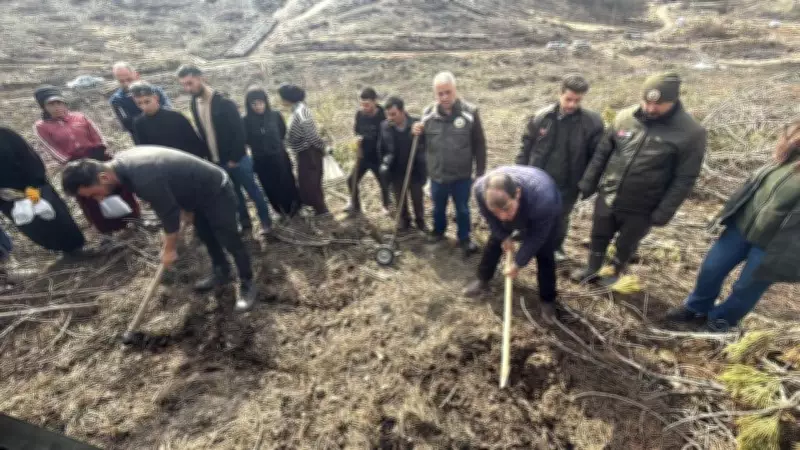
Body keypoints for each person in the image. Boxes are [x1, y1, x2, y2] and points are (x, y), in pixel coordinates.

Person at [61, 147, 258, 311]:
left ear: (103, 177)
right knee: (207, 236)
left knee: (229, 239)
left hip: (216, 191)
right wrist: (185, 209)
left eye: (95, 194)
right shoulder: (120, 168)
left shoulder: (142, 175)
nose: (99, 199)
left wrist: (169, 249)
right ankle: (221, 271)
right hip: (193, 194)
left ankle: (247, 282)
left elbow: (168, 213)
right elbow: (168, 187)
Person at [572, 72, 706, 287]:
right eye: (647, 102)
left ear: (674, 101)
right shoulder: (624, 117)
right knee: (599, 234)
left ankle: (615, 271)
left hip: (644, 203)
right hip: (610, 193)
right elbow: (603, 153)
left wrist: (665, 211)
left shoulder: (691, 133)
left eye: (659, 105)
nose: (651, 109)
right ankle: (592, 268)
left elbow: (685, 178)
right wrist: (588, 182)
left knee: (627, 242)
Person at [664, 121, 800, 331]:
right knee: (711, 268)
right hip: (740, 230)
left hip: (775, 247)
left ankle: (722, 320)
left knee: (746, 287)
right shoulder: (782, 159)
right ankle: (696, 307)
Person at [515, 73, 604, 262]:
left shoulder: (591, 124)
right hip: (537, 178)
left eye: (577, 100)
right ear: (560, 93)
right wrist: (519, 174)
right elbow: (526, 148)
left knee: (560, 216)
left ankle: (556, 247)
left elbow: (597, 157)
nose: (572, 104)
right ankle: (526, 237)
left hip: (569, 181)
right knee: (530, 209)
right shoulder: (541, 118)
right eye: (568, 99)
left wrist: (588, 183)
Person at [33, 85, 141, 240]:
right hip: (75, 165)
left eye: (59, 103)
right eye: (51, 104)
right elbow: (51, 148)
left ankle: (134, 218)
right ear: (44, 107)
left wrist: (100, 150)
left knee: (118, 188)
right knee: (90, 198)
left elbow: (97, 135)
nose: (57, 107)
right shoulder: (42, 126)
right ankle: (106, 231)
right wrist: (69, 161)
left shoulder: (79, 117)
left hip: (97, 157)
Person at [177, 64, 273, 235]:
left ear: (201, 78)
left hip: (238, 160)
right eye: (184, 84)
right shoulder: (194, 103)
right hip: (218, 162)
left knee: (253, 192)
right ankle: (245, 224)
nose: (187, 88)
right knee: (234, 197)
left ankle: (266, 222)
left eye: (190, 83)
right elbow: (203, 133)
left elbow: (240, 133)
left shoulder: (224, 102)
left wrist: (234, 159)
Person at [463, 166, 562, 322]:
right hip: (517, 204)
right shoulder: (479, 191)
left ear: (517, 193)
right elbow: (491, 219)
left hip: (541, 207)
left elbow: (536, 237)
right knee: (495, 241)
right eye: (496, 211)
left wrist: (518, 262)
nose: (503, 217)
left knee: (544, 252)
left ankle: (547, 300)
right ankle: (483, 279)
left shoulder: (544, 201)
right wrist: (503, 236)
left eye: (507, 209)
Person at [413, 71, 487, 257]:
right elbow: (420, 144)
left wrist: (480, 173)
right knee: (438, 207)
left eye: (448, 92)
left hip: (461, 175)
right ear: (434, 94)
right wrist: (415, 133)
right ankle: (438, 231)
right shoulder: (427, 114)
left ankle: (464, 237)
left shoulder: (470, 113)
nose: (444, 97)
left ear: (455, 90)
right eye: (440, 93)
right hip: (438, 175)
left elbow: (479, 144)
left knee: (462, 208)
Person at [0, 126, 85, 255]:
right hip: (7, 197)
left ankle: (76, 247)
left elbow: (28, 157)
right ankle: (57, 249)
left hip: (33, 187)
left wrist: (32, 185)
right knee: (33, 226)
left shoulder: (5, 135)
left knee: (55, 217)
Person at [243, 86, 300, 220]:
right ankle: (279, 210)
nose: (258, 107)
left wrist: (274, 146)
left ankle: (295, 207)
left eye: (261, 103)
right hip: (261, 159)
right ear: (249, 105)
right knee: (269, 185)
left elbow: (282, 132)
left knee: (287, 182)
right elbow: (246, 140)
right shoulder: (245, 121)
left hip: (279, 156)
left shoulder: (275, 115)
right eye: (254, 104)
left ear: (266, 102)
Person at [279, 83, 330, 216]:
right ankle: (317, 208)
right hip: (303, 152)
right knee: (306, 182)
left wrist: (323, 147)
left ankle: (322, 210)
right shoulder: (297, 110)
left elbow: (311, 135)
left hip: (309, 152)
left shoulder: (301, 112)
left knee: (311, 183)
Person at [379, 96, 427, 231]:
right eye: (388, 115)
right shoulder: (384, 126)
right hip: (396, 170)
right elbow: (382, 147)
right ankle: (405, 221)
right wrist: (385, 165)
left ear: (403, 111)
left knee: (417, 198)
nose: (390, 118)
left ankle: (420, 221)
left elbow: (427, 144)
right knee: (400, 199)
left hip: (415, 169)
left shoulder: (417, 123)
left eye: (393, 114)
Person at [130, 81, 210, 159]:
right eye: (139, 103)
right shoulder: (139, 123)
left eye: (147, 102)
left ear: (155, 98)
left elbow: (195, 144)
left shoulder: (176, 117)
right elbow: (145, 151)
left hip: (186, 162)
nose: (144, 107)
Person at [346, 87, 390, 217]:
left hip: (379, 156)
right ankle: (356, 205)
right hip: (363, 155)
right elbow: (357, 131)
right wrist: (358, 142)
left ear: (375, 101)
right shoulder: (359, 115)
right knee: (351, 180)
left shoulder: (383, 115)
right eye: (362, 105)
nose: (364, 108)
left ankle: (387, 206)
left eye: (367, 105)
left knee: (384, 183)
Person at [109, 62, 171, 139]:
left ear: (136, 75)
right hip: (143, 139)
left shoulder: (155, 91)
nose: (126, 84)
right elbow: (127, 124)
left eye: (129, 79)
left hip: (166, 132)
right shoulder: (117, 100)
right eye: (121, 81)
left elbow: (168, 110)